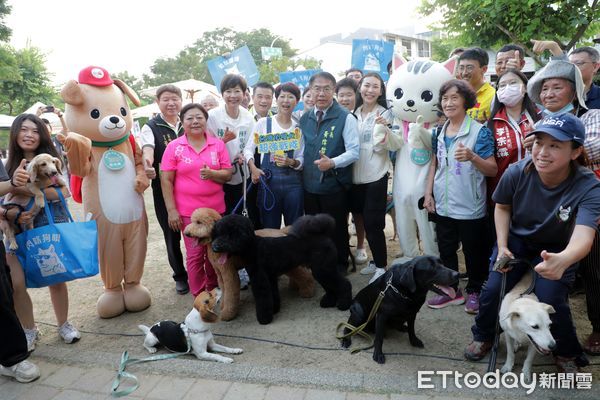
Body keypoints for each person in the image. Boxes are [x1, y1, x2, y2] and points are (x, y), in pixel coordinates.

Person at [465, 113, 600, 373]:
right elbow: (502, 207)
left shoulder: (589, 186)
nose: (542, 152)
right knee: (493, 289)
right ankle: (483, 334)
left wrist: (564, 259)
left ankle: (565, 350)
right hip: (516, 242)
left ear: (575, 152)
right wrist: (502, 245)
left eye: (555, 145)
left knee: (551, 296)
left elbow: (584, 236)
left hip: (559, 249)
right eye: (539, 143)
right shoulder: (518, 171)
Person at [4, 114, 81, 351]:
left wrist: (28, 190)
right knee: (17, 284)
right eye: (24, 130)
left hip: (47, 224)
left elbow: (63, 194)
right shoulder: (6, 167)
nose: (29, 135)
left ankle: (64, 325)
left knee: (56, 278)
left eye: (35, 130)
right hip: (14, 230)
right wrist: (9, 213)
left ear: (42, 135)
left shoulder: (53, 161)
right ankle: (29, 330)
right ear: (15, 134)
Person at [424, 79, 497, 314]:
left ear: (466, 101)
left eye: (454, 97)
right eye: (445, 98)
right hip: (443, 205)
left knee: (474, 252)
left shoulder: (479, 132)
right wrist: (428, 194)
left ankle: (475, 290)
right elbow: (434, 165)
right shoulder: (438, 131)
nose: (448, 103)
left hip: (470, 206)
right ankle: (451, 292)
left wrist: (473, 157)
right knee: (446, 250)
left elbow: (492, 169)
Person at [160, 103, 232, 297]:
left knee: (214, 251)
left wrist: (213, 174)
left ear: (206, 120)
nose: (195, 122)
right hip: (187, 213)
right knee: (195, 255)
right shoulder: (174, 147)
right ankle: (199, 295)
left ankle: (213, 288)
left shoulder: (217, 144)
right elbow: (166, 179)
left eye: (199, 117)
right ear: (182, 122)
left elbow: (228, 174)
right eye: (190, 118)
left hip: (216, 211)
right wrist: (171, 210)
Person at [300, 71, 360, 275]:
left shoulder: (345, 117)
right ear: (310, 90)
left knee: (336, 230)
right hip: (309, 186)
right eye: (317, 88)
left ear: (334, 90)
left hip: (334, 185)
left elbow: (354, 151)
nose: (322, 93)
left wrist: (333, 163)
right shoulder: (305, 117)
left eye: (327, 88)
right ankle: (319, 266)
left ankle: (340, 265)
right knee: (313, 229)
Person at [206, 75, 255, 289]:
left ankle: (244, 268)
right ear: (222, 93)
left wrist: (245, 155)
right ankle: (225, 271)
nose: (233, 95)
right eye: (228, 91)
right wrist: (222, 143)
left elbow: (250, 143)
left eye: (237, 91)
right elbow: (206, 145)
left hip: (242, 176)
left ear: (244, 93)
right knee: (222, 224)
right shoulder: (212, 117)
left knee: (242, 222)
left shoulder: (248, 117)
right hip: (219, 178)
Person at [140, 85, 188, 295]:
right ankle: (180, 276)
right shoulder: (151, 126)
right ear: (158, 102)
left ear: (181, 100)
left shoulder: (188, 121)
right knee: (171, 234)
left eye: (175, 99)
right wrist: (148, 164)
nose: (171, 103)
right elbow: (148, 149)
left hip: (190, 186)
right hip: (163, 188)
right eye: (166, 99)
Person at [350, 73, 394, 282]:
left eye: (375, 87)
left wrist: (385, 129)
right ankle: (375, 261)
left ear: (381, 91)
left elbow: (391, 144)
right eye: (366, 85)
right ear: (360, 88)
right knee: (361, 220)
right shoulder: (353, 113)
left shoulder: (387, 113)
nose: (370, 90)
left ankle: (382, 267)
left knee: (374, 223)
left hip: (376, 175)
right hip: (355, 176)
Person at [245, 82, 304, 228]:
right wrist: (253, 168)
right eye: (282, 96)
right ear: (276, 100)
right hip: (268, 182)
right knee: (269, 228)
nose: (285, 100)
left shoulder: (299, 128)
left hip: (293, 186)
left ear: (296, 101)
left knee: (294, 228)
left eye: (290, 97)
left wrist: (291, 162)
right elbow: (248, 149)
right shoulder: (264, 123)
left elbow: (301, 159)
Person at [487, 69, 541, 200]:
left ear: (525, 88)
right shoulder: (490, 124)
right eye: (502, 85)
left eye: (513, 83)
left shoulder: (540, 117)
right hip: (503, 193)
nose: (507, 88)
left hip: (538, 190)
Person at [458, 48, 495, 123]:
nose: (464, 73)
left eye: (469, 68)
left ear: (484, 69)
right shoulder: (456, 94)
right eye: (461, 68)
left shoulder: (493, 96)